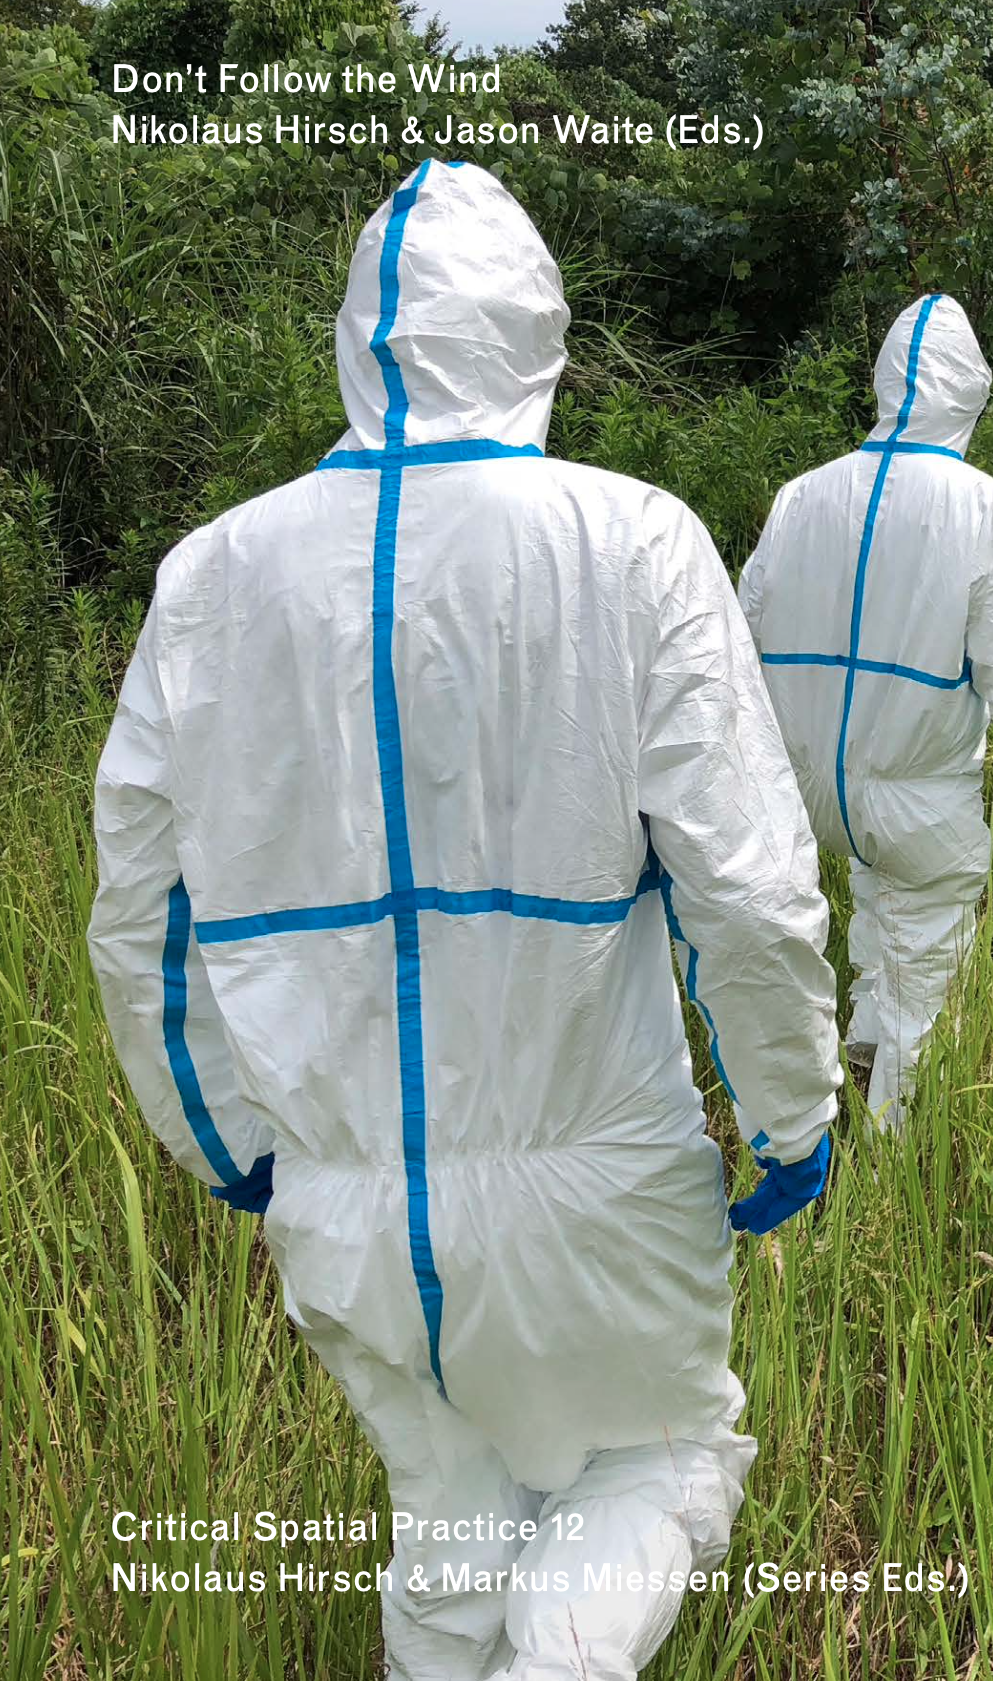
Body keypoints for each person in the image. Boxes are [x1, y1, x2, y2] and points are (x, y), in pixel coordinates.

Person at [88, 160, 841, 1681]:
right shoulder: (631, 541)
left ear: (355, 347)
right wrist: (792, 1112)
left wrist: (227, 1146)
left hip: (347, 1201)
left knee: (449, 1511)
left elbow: (140, 918)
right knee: (659, 1458)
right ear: (538, 339)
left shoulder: (209, 575)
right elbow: (748, 889)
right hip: (599, 1177)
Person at [738, 292, 993, 1129]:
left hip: (813, 785)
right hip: (917, 791)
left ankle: (861, 1049)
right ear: (970, 394)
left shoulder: (802, 496)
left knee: (877, 892)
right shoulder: (978, 506)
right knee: (927, 949)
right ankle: (900, 1140)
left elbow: (744, 630)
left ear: (886, 383)